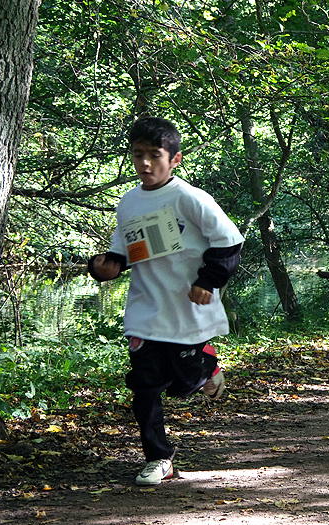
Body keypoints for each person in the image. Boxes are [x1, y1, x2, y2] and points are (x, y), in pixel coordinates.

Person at [87, 117, 244, 486]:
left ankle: (206, 367)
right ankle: (159, 458)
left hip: (188, 309)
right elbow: (121, 253)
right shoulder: (128, 202)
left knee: (183, 381)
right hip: (145, 310)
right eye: (137, 155)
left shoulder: (190, 198)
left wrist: (208, 280)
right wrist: (102, 268)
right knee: (144, 387)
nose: (144, 164)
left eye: (154, 155)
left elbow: (230, 241)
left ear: (174, 159)